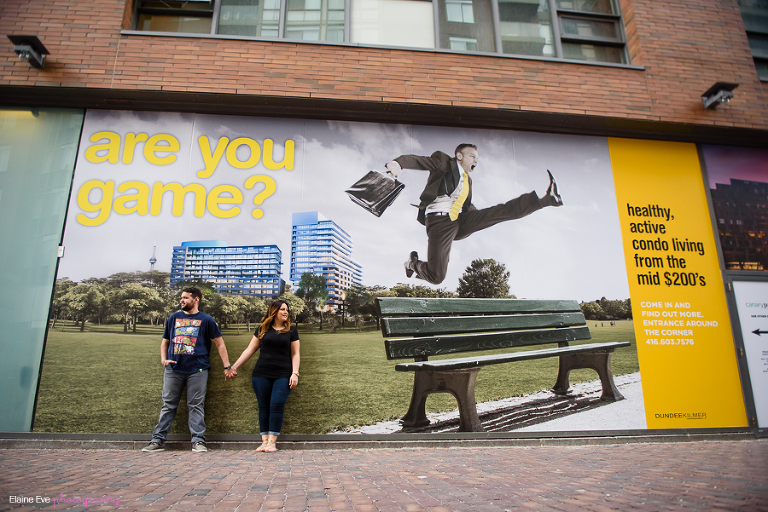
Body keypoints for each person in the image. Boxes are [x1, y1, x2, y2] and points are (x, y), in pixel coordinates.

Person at [385, 143, 563, 285]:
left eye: (477, 158)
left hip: (459, 221)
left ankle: (547, 199)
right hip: (439, 222)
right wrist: (399, 163)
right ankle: (411, 264)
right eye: (472, 156)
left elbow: (467, 205)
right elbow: (420, 161)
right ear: (459, 156)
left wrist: (481, 218)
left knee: (497, 212)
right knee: (437, 276)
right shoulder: (443, 162)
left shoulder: (468, 181)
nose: (476, 160)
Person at [142, 287, 232, 453]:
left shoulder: (206, 320)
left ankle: (198, 441)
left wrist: (227, 366)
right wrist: (163, 359)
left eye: (185, 298)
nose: (182, 300)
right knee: (168, 405)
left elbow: (220, 343)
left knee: (196, 405)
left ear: (196, 299)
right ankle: (158, 440)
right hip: (173, 369)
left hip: (197, 370)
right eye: (181, 298)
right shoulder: (174, 318)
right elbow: (165, 341)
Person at [226, 300, 300, 453]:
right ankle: (264, 441)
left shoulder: (291, 331)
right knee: (264, 407)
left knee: (277, 405)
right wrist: (234, 367)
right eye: (282, 310)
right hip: (261, 374)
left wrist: (295, 373)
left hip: (283, 374)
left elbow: (295, 353)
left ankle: (272, 442)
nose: (286, 312)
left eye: (287, 310)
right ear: (274, 312)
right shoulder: (262, 329)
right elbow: (249, 350)